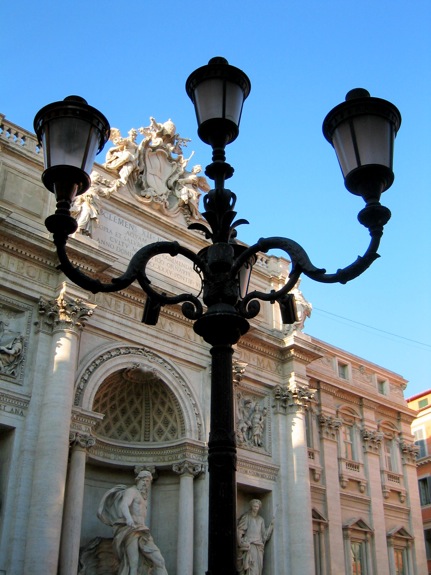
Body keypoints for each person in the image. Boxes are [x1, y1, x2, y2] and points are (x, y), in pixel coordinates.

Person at [98, 470, 168, 575]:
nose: (145, 483)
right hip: (131, 530)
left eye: (148, 481)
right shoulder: (132, 491)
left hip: (143, 531)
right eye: (143, 480)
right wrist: (128, 518)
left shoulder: (144, 497)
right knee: (134, 565)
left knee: (160, 560)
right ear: (138, 480)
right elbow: (124, 505)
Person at [237, 499, 274, 575]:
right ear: (251, 506)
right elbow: (239, 531)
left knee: (258, 568)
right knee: (252, 568)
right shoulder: (246, 517)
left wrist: (271, 526)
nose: (255, 508)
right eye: (254, 506)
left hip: (259, 547)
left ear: (259, 508)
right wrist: (240, 543)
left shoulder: (261, 520)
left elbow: (264, 536)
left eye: (257, 507)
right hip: (251, 546)